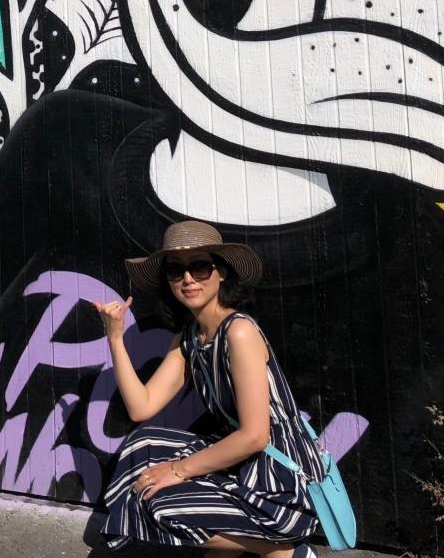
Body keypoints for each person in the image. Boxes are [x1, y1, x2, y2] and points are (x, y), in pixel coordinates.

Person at [95, 220, 322, 558]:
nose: (188, 279)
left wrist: (176, 470)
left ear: (222, 273)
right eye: (176, 270)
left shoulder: (239, 332)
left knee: (160, 504)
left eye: (200, 267)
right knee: (142, 446)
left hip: (279, 478)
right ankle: (238, 545)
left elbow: (255, 437)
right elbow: (141, 406)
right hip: (241, 463)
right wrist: (115, 338)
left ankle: (285, 549)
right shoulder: (190, 337)